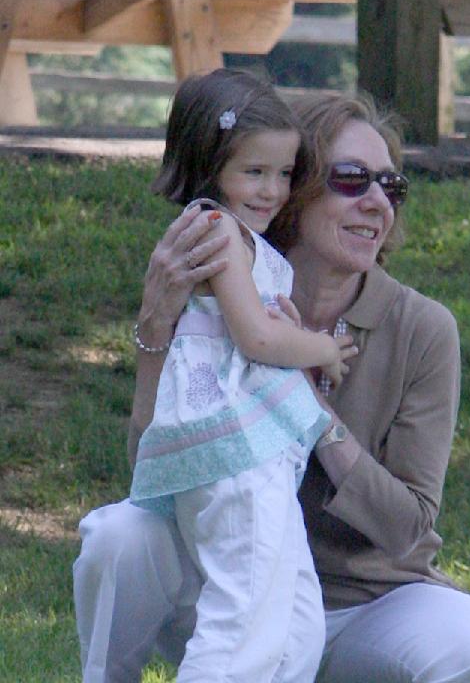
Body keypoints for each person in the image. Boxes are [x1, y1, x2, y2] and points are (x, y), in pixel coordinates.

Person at [73, 86, 470, 683]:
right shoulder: (226, 288)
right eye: (352, 179)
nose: (378, 202)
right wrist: (154, 328)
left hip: (367, 603)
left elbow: (407, 527)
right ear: (293, 189)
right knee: (118, 536)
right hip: (224, 576)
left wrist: (310, 408)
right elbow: (151, 468)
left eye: (391, 185)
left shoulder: (422, 328)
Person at [125, 68, 358, 683]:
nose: (272, 191)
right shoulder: (218, 229)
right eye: (254, 171)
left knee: (297, 628)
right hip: (235, 456)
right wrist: (319, 348)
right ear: (209, 164)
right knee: (242, 625)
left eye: (283, 173)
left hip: (255, 455)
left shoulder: (231, 233)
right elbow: (256, 336)